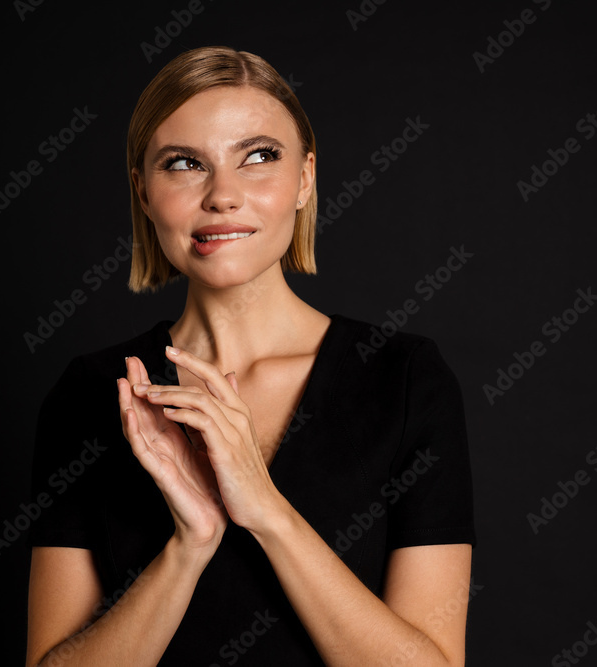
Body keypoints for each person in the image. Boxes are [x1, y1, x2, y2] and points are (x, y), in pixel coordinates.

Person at [25, 46, 475, 666]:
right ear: (144, 192)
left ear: (305, 179)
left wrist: (266, 511)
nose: (223, 196)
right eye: (185, 164)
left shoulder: (404, 379)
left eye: (259, 157)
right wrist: (190, 545)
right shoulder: (91, 394)